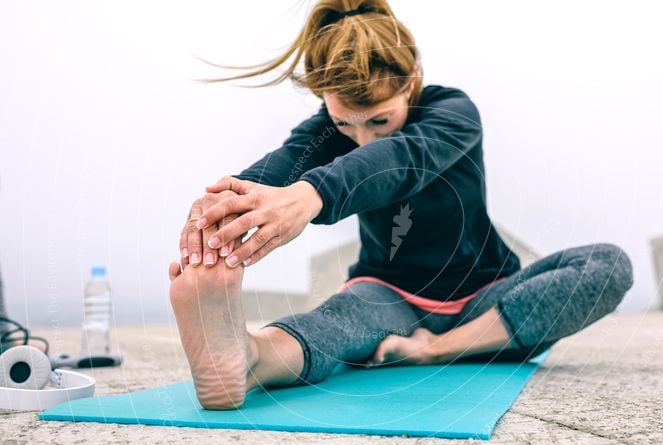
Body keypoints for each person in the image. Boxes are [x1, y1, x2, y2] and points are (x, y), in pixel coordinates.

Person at [168, 0, 634, 410]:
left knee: (607, 265)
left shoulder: (452, 113)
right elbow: (285, 164)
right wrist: (226, 205)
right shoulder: (328, 131)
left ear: (410, 83)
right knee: (337, 324)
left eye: (380, 119)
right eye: (345, 125)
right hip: (387, 293)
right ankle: (247, 360)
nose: (362, 137)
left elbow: (399, 159)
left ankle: (441, 347)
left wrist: (311, 195)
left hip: (484, 300)